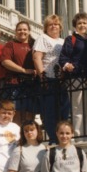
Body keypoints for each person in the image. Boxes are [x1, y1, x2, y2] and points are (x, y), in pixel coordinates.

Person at [32, 14, 68, 144]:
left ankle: (63, 137)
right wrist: (43, 77)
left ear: (60, 27)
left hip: (61, 80)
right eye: (50, 24)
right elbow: (37, 57)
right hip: (48, 79)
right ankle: (53, 138)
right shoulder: (43, 38)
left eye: (56, 24)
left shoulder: (63, 41)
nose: (54, 26)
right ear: (46, 27)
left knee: (63, 110)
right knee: (49, 112)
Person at [59, 12, 87, 138]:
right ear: (75, 25)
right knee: (77, 108)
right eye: (79, 23)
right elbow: (63, 57)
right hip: (75, 76)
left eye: (84, 23)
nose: (82, 25)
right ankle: (79, 136)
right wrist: (67, 65)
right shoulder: (71, 39)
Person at [0, 20, 36, 124]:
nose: (22, 32)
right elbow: (5, 62)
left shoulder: (34, 45)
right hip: (14, 83)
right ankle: (18, 138)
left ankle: (27, 138)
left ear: (29, 31)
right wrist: (23, 70)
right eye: (19, 29)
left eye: (25, 29)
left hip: (32, 84)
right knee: (16, 113)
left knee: (30, 113)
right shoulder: (11, 44)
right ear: (15, 31)